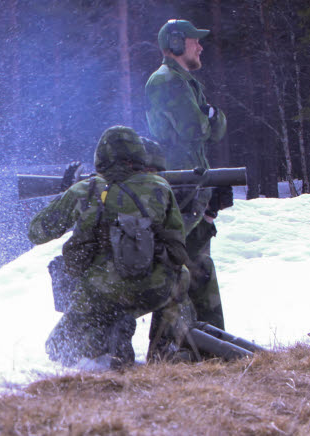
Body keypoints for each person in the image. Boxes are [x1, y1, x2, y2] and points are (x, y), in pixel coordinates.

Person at [28, 126, 196, 369]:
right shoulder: (160, 187)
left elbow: (37, 231)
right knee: (181, 276)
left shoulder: (84, 190)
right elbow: (177, 245)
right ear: (139, 155)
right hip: (152, 288)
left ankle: (104, 338)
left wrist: (69, 194)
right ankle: (164, 353)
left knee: (56, 347)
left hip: (99, 292)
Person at [145, 19, 228, 331]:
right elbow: (196, 128)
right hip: (181, 187)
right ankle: (174, 348)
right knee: (180, 266)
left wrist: (209, 118)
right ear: (177, 43)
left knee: (198, 265)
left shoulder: (183, 80)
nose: (200, 46)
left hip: (191, 182)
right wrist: (209, 117)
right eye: (195, 40)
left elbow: (212, 128)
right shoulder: (168, 80)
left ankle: (208, 345)